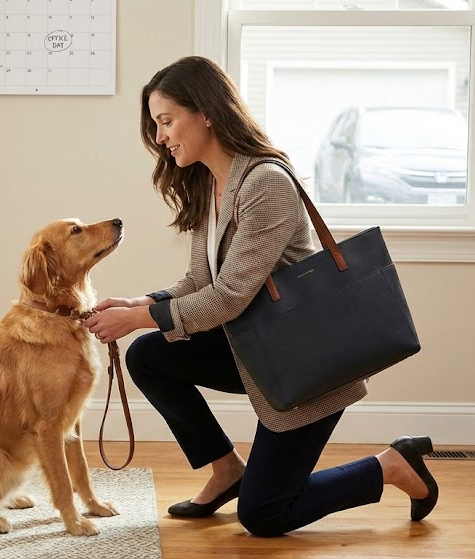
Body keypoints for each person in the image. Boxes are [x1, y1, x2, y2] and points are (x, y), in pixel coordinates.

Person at [82, 55, 438, 536]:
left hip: (304, 364)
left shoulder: (265, 182)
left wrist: (140, 319)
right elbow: (198, 280)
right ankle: (227, 468)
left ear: (206, 111)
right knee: (149, 356)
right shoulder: (209, 183)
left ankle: (392, 464)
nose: (161, 137)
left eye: (167, 121)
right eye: (156, 125)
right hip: (255, 348)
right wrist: (140, 304)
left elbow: (227, 297)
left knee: (265, 515)